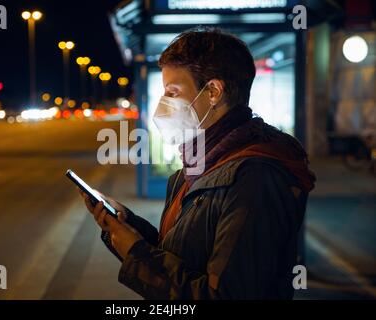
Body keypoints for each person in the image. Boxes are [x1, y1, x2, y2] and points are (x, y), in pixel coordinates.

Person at [78, 27, 316, 299]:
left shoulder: (255, 178)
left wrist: (136, 254)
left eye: (172, 92)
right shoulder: (196, 167)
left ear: (213, 91)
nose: (162, 106)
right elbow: (183, 256)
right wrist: (129, 229)